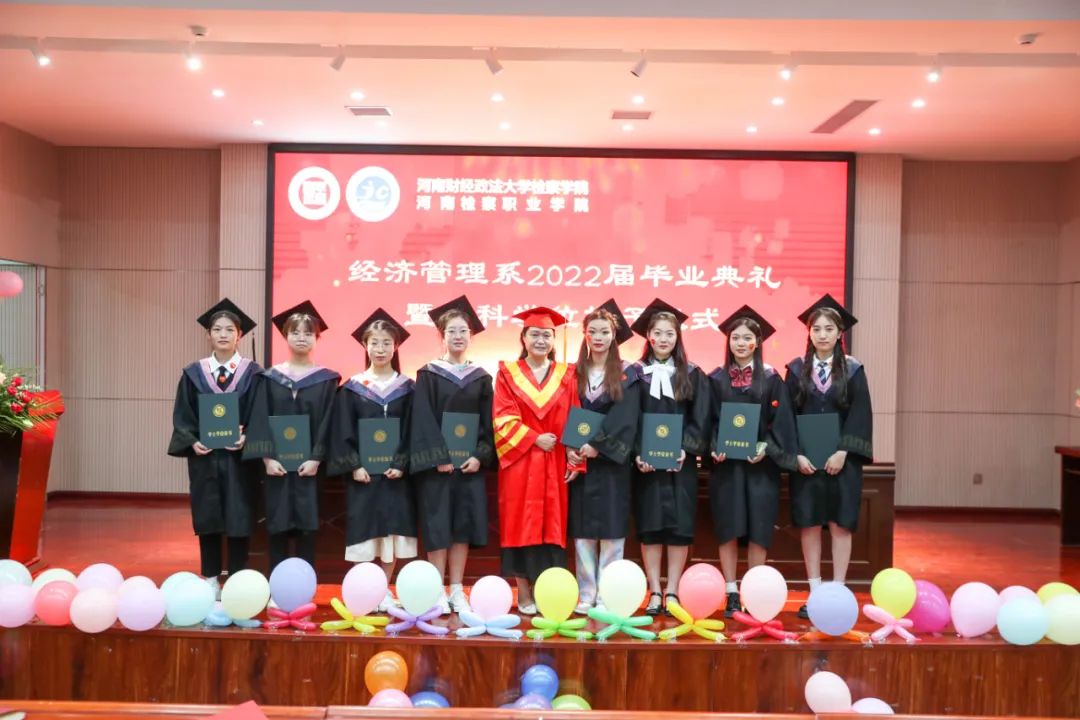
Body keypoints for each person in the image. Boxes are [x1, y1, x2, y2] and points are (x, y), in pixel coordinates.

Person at [785, 294, 873, 618]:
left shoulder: (853, 370)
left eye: (829, 329)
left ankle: (837, 592)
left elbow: (861, 414)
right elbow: (787, 417)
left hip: (841, 463)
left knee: (839, 524)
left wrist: (843, 451)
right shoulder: (796, 370)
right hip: (807, 464)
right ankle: (814, 592)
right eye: (816, 329)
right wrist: (796, 454)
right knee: (809, 524)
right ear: (809, 333)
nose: (822, 335)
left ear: (839, 333)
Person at [709, 305, 798, 617]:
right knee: (728, 527)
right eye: (735, 337)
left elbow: (782, 422)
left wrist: (767, 447)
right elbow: (710, 421)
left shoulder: (772, 380)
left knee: (759, 527)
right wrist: (713, 447)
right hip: (727, 468)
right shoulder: (716, 379)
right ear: (728, 341)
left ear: (757, 342)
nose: (741, 343)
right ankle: (731, 591)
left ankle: (753, 590)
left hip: (760, 468)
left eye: (747, 338)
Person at [168, 298, 261, 598]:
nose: (223, 334)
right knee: (208, 516)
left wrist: (249, 438)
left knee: (239, 516)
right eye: (217, 329)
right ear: (208, 335)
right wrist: (192, 441)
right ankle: (209, 576)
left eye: (229, 329)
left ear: (239, 335)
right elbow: (183, 416)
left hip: (239, 461)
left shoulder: (253, 374)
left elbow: (261, 415)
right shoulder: (194, 373)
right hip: (206, 459)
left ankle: (236, 578)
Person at [493, 306, 584, 614]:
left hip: (554, 461)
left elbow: (575, 418)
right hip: (520, 462)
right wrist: (534, 438)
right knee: (519, 526)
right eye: (535, 334)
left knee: (552, 529)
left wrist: (575, 460)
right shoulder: (508, 374)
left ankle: (549, 593)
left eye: (547, 335)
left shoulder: (567, 375)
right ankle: (523, 592)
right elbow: (502, 418)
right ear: (524, 337)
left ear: (553, 340)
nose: (541, 340)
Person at [409, 295, 494, 614]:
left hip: (468, 467)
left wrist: (480, 455)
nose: (458, 336)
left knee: (462, 527)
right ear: (441, 335)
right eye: (452, 331)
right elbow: (423, 420)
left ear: (471, 336)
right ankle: (436, 590)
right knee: (438, 526)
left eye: (463, 331)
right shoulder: (428, 375)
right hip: (438, 468)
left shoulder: (481, 377)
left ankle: (456, 589)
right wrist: (438, 457)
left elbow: (488, 423)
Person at [327, 309, 416, 612]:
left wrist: (402, 463)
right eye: (374, 343)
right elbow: (342, 430)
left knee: (391, 535)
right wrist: (354, 464)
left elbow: (413, 430)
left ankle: (384, 590)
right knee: (364, 534)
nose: (380, 349)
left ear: (396, 346)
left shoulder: (408, 388)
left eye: (386, 343)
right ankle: (366, 591)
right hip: (363, 476)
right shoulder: (353, 387)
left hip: (395, 477)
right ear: (365, 346)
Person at [244, 300, 340, 570]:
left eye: (308, 333)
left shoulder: (327, 380)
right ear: (285, 335)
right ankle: (277, 583)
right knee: (277, 523)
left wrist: (317, 458)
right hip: (276, 466)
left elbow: (329, 422)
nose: (301, 338)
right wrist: (267, 459)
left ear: (317, 338)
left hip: (311, 467)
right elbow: (260, 418)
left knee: (308, 526)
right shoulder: (270, 378)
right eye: (295, 332)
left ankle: (305, 582)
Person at [631, 299, 711, 616]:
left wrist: (685, 448)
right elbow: (630, 420)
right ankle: (654, 591)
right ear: (648, 336)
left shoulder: (692, 374)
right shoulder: (635, 375)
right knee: (650, 526)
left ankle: (673, 590)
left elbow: (700, 419)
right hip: (647, 467)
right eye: (658, 333)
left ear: (678, 337)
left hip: (681, 465)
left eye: (670, 333)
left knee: (679, 527)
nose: (663, 339)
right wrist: (638, 453)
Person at [567, 299, 641, 615]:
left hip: (611, 464)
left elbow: (627, 417)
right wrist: (571, 447)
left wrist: (598, 445)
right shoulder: (573, 373)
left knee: (611, 531)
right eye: (593, 331)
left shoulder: (627, 374)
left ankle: (608, 595)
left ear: (614, 336)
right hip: (581, 464)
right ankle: (586, 594)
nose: (598, 337)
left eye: (604, 332)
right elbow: (565, 412)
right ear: (585, 335)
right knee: (583, 532)